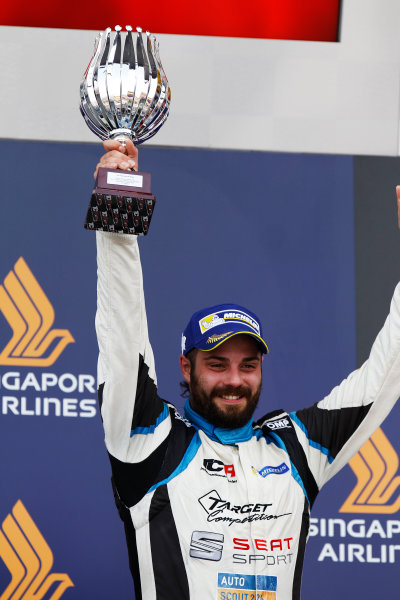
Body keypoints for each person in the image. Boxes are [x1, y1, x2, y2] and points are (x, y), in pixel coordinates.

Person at [94, 140, 400, 600]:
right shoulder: (150, 444)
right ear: (187, 366)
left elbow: (385, 375)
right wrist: (117, 218)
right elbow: (122, 337)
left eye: (248, 365)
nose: (234, 380)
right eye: (217, 364)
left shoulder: (296, 450)